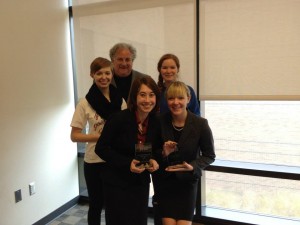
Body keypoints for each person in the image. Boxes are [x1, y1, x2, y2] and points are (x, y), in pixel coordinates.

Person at [95, 76, 163, 225]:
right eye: (142, 95)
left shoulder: (156, 122)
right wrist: (127, 163)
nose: (147, 100)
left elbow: (156, 149)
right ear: (134, 97)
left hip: (140, 183)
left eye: (151, 95)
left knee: (138, 221)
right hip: (116, 182)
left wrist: (153, 159)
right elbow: (101, 148)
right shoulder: (118, 119)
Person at [70, 57, 127, 225]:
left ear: (112, 74)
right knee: (96, 204)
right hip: (94, 161)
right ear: (92, 75)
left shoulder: (119, 100)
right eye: (99, 73)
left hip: (115, 159)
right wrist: (100, 137)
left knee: (113, 204)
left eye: (107, 73)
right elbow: (75, 136)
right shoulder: (85, 103)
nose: (104, 77)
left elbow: (125, 127)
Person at [153, 81, 216, 225]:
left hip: (187, 184)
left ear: (188, 99)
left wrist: (193, 166)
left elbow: (209, 155)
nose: (176, 102)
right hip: (165, 182)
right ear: (166, 101)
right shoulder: (159, 121)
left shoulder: (201, 124)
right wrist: (163, 152)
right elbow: (152, 152)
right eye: (171, 98)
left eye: (180, 98)